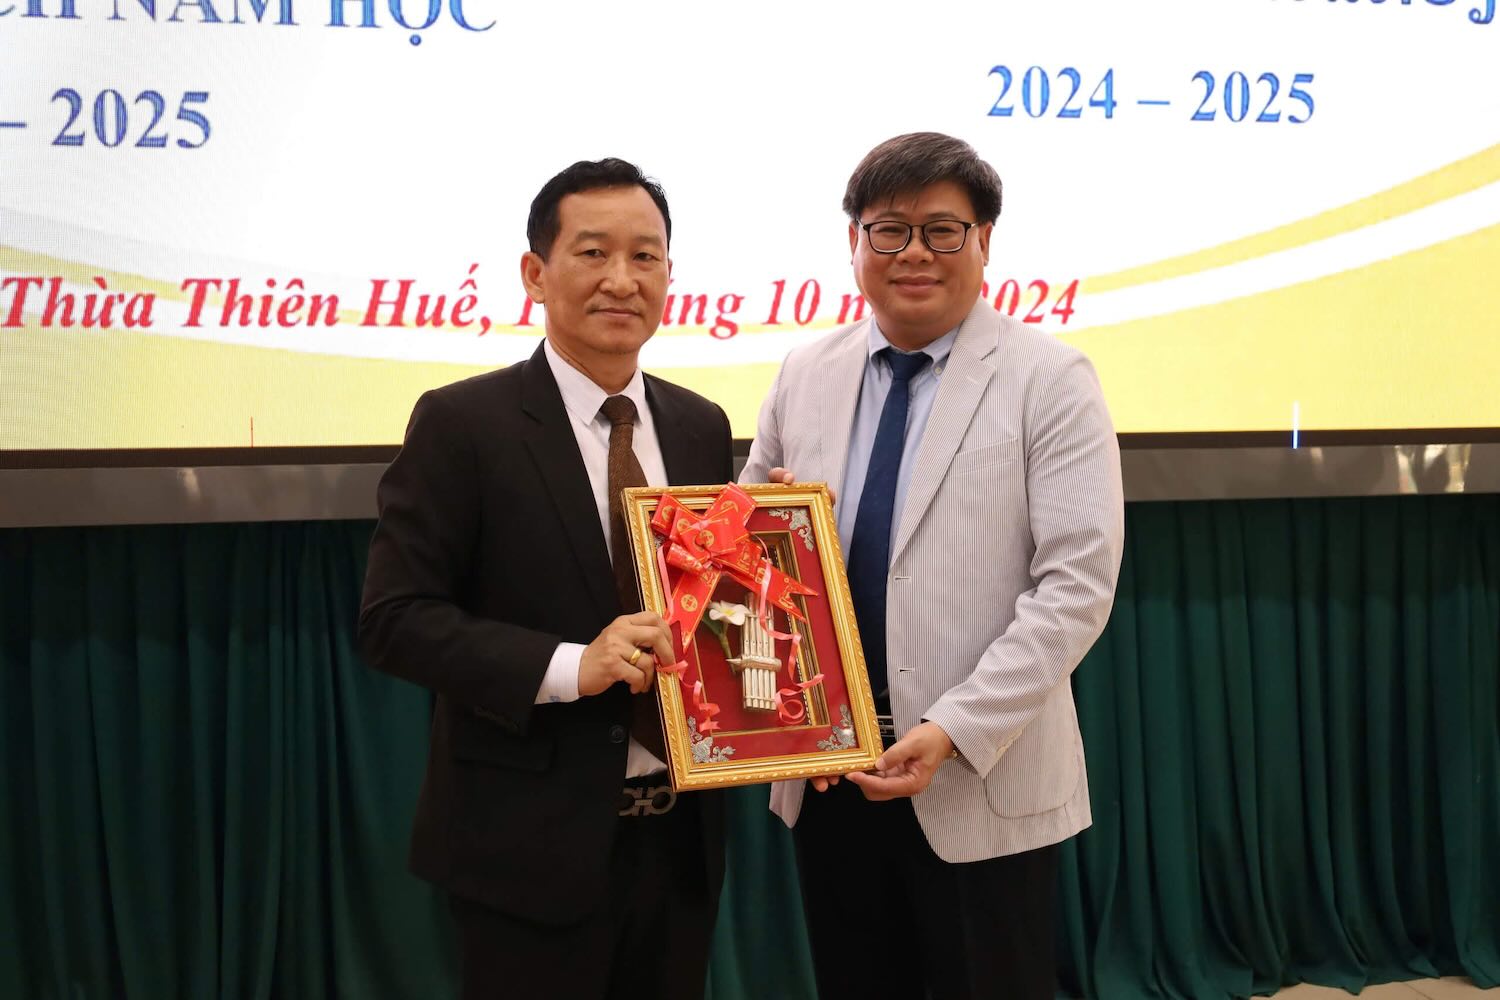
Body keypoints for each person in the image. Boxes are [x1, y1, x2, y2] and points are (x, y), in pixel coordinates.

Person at [741, 132, 1124, 999]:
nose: (914, 252)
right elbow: (747, 553)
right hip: (830, 773)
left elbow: (1076, 587)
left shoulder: (1050, 379)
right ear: (854, 245)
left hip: (976, 779)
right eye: (889, 230)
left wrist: (953, 729)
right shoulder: (805, 373)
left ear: (984, 242)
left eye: (943, 230)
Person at [358, 158, 732, 1000]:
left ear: (671, 274)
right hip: (526, 852)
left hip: (681, 847)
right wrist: (571, 665)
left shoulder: (700, 425)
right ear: (536, 273)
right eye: (592, 253)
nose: (621, 280)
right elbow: (394, 619)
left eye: (646, 257)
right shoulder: (463, 424)